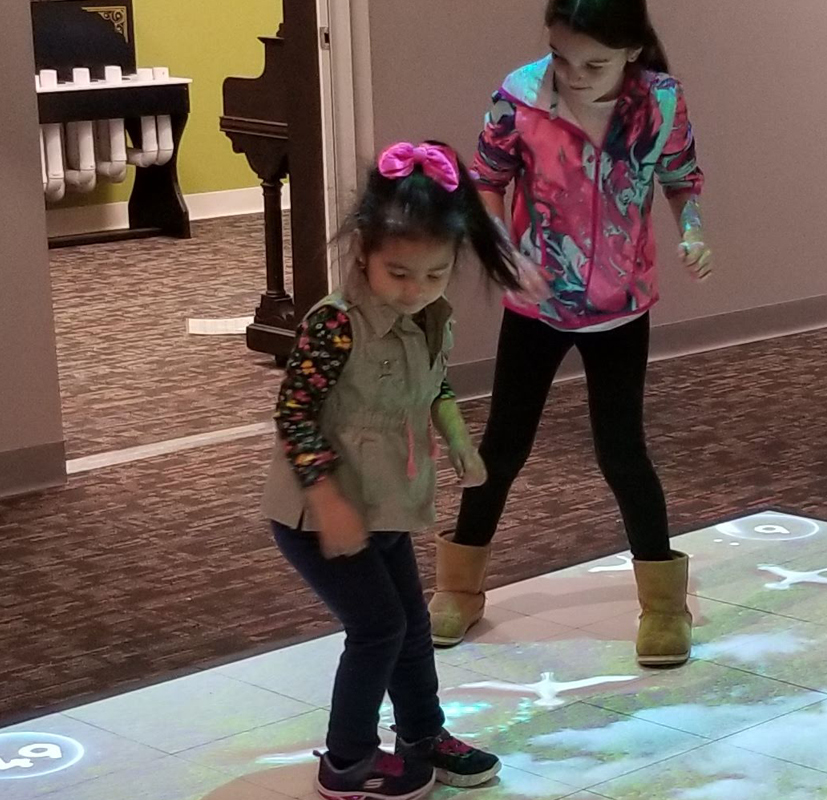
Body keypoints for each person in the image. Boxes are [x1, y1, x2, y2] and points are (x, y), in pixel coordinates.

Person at [427, 0, 712, 669]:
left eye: (595, 62)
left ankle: (665, 604)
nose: (575, 75)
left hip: (622, 303)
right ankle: (459, 588)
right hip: (538, 304)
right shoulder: (518, 97)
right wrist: (507, 254)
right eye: (562, 57)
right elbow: (486, 184)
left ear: (633, 52)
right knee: (503, 443)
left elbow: (681, 178)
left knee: (622, 450)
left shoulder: (661, 104)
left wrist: (694, 230)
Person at [262, 141, 514, 800]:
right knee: (377, 628)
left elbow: (434, 390)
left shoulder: (430, 320)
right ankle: (346, 760)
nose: (415, 290)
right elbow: (293, 415)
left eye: (434, 275)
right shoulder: (335, 326)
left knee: (410, 626)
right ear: (364, 256)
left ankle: (421, 736)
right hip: (323, 514)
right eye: (398, 273)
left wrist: (459, 441)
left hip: (390, 502)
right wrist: (328, 497)